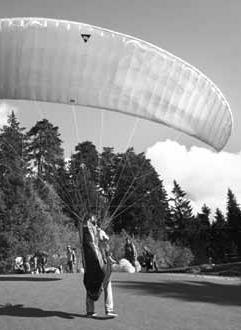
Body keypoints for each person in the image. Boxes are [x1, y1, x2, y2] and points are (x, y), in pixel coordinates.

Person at [82, 214, 117, 318]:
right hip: (101, 263)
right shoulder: (99, 232)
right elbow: (106, 241)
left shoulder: (85, 233)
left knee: (90, 282)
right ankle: (109, 309)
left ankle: (90, 310)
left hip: (89, 263)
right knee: (107, 282)